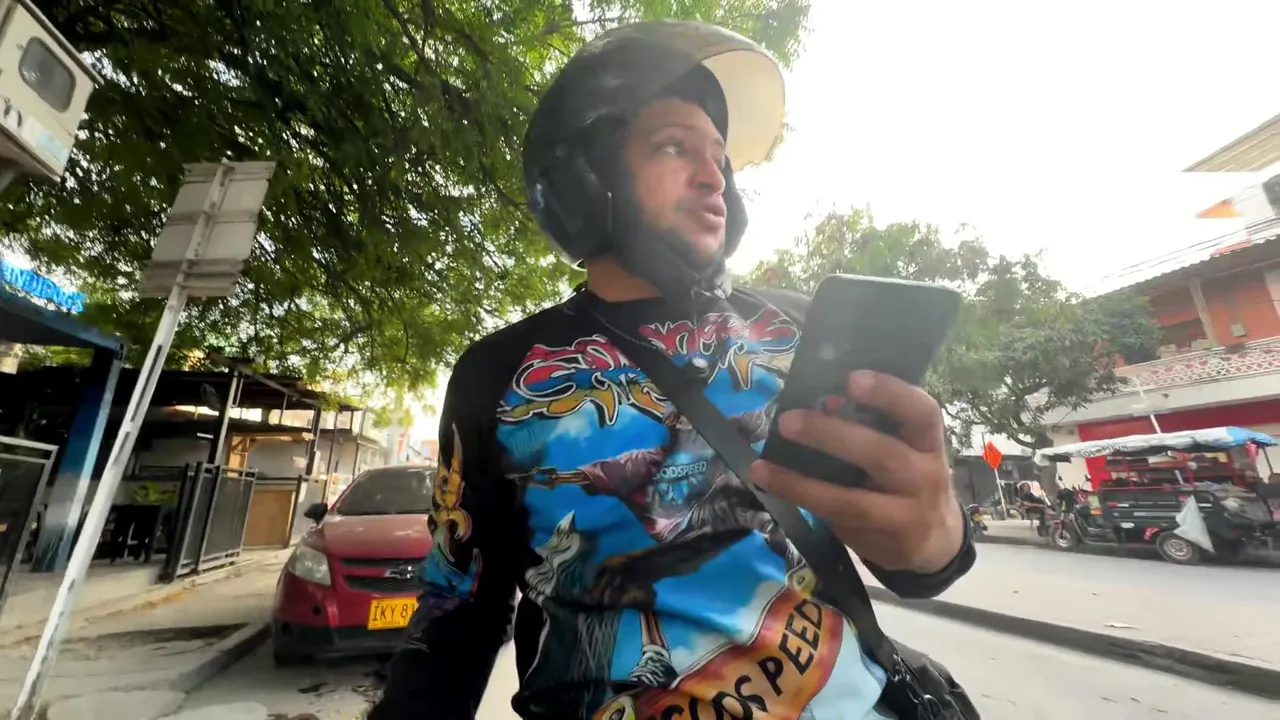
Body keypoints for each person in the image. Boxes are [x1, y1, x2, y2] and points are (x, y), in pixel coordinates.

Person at [370, 20, 975, 720]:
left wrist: (938, 541)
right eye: (673, 146)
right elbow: (456, 615)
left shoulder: (800, 329)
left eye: (721, 157)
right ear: (583, 179)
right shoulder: (501, 372)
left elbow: (913, 557)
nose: (715, 175)